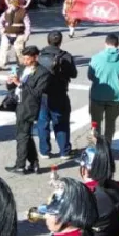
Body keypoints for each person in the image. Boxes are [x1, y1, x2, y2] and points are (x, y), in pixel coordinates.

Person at [5, 46, 49, 174]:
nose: (25, 61)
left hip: (29, 106)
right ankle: (34, 162)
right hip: (18, 104)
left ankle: (20, 165)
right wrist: (10, 82)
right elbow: (12, 87)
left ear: (36, 57)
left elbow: (37, 93)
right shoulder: (23, 68)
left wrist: (20, 84)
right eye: (23, 58)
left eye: (28, 58)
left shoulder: (43, 73)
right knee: (26, 135)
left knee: (22, 136)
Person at [37, 31, 77, 159]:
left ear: (48, 41)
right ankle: (64, 151)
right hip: (59, 93)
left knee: (43, 122)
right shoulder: (66, 56)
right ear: (60, 41)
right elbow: (73, 74)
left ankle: (44, 151)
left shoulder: (39, 55)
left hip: (42, 93)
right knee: (61, 122)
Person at [87, 34, 119, 144]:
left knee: (95, 122)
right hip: (115, 96)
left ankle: (96, 146)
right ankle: (107, 145)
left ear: (105, 43)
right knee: (110, 124)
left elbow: (90, 76)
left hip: (97, 95)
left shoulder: (96, 57)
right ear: (118, 44)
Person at [0, 0, 30, 71]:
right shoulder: (6, 12)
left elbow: (27, 25)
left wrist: (27, 34)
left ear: (18, 5)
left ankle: (22, 64)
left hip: (19, 35)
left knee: (19, 50)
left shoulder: (23, 12)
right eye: (12, 5)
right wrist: (1, 30)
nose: (13, 6)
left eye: (15, 5)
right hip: (7, 34)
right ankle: (1, 64)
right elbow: (0, 23)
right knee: (4, 50)